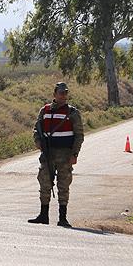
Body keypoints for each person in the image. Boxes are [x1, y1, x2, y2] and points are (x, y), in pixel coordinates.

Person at [27, 82, 84, 227]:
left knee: (63, 185)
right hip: (48, 153)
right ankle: (43, 215)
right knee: (44, 182)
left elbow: (79, 135)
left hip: (65, 154)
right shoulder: (44, 110)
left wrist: (74, 154)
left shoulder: (73, 113)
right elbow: (36, 128)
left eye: (65, 93)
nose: (63, 96)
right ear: (54, 94)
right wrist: (38, 141)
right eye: (61, 93)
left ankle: (62, 218)